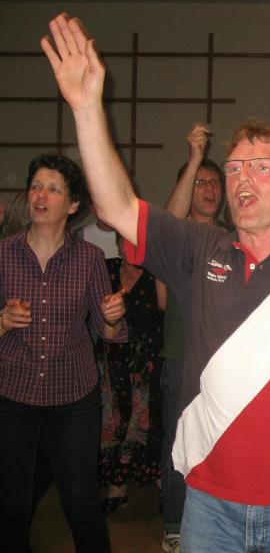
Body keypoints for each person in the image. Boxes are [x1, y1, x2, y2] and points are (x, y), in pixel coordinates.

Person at [42, 12, 270, 552]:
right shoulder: (200, 247)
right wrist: (86, 107)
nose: (241, 178)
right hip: (210, 499)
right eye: (234, 168)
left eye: (261, 166)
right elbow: (116, 207)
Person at [0, 154, 127, 553]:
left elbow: (107, 332)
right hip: (13, 393)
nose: (41, 196)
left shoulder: (89, 258)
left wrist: (111, 316)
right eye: (36, 187)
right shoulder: (3, 254)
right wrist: (3, 321)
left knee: (81, 502)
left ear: (73, 205)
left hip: (72, 395)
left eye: (53, 189)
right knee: (11, 504)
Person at [156, 121, 227, 552]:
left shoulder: (230, 238)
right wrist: (195, 157)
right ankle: (174, 525)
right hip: (182, 356)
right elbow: (166, 222)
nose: (209, 188)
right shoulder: (179, 238)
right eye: (200, 182)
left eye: (214, 182)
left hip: (224, 364)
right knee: (178, 444)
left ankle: (215, 523)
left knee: (219, 445)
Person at [97, 235, 165, 514]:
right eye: (125, 242)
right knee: (114, 420)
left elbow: (166, 310)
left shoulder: (156, 273)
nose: (130, 248)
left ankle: (159, 480)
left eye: (137, 242)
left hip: (147, 364)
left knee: (150, 421)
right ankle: (117, 484)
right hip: (112, 361)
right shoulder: (105, 269)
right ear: (117, 244)